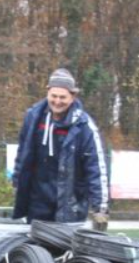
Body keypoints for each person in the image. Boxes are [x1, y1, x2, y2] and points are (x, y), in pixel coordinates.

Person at [12, 68, 109, 228]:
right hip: (36, 203)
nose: (57, 101)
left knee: (65, 244)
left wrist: (100, 208)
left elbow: (96, 168)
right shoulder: (33, 117)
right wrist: (17, 182)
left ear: (73, 97)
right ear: (47, 93)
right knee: (34, 243)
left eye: (62, 97)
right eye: (54, 96)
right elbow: (23, 153)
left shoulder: (85, 127)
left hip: (70, 205)